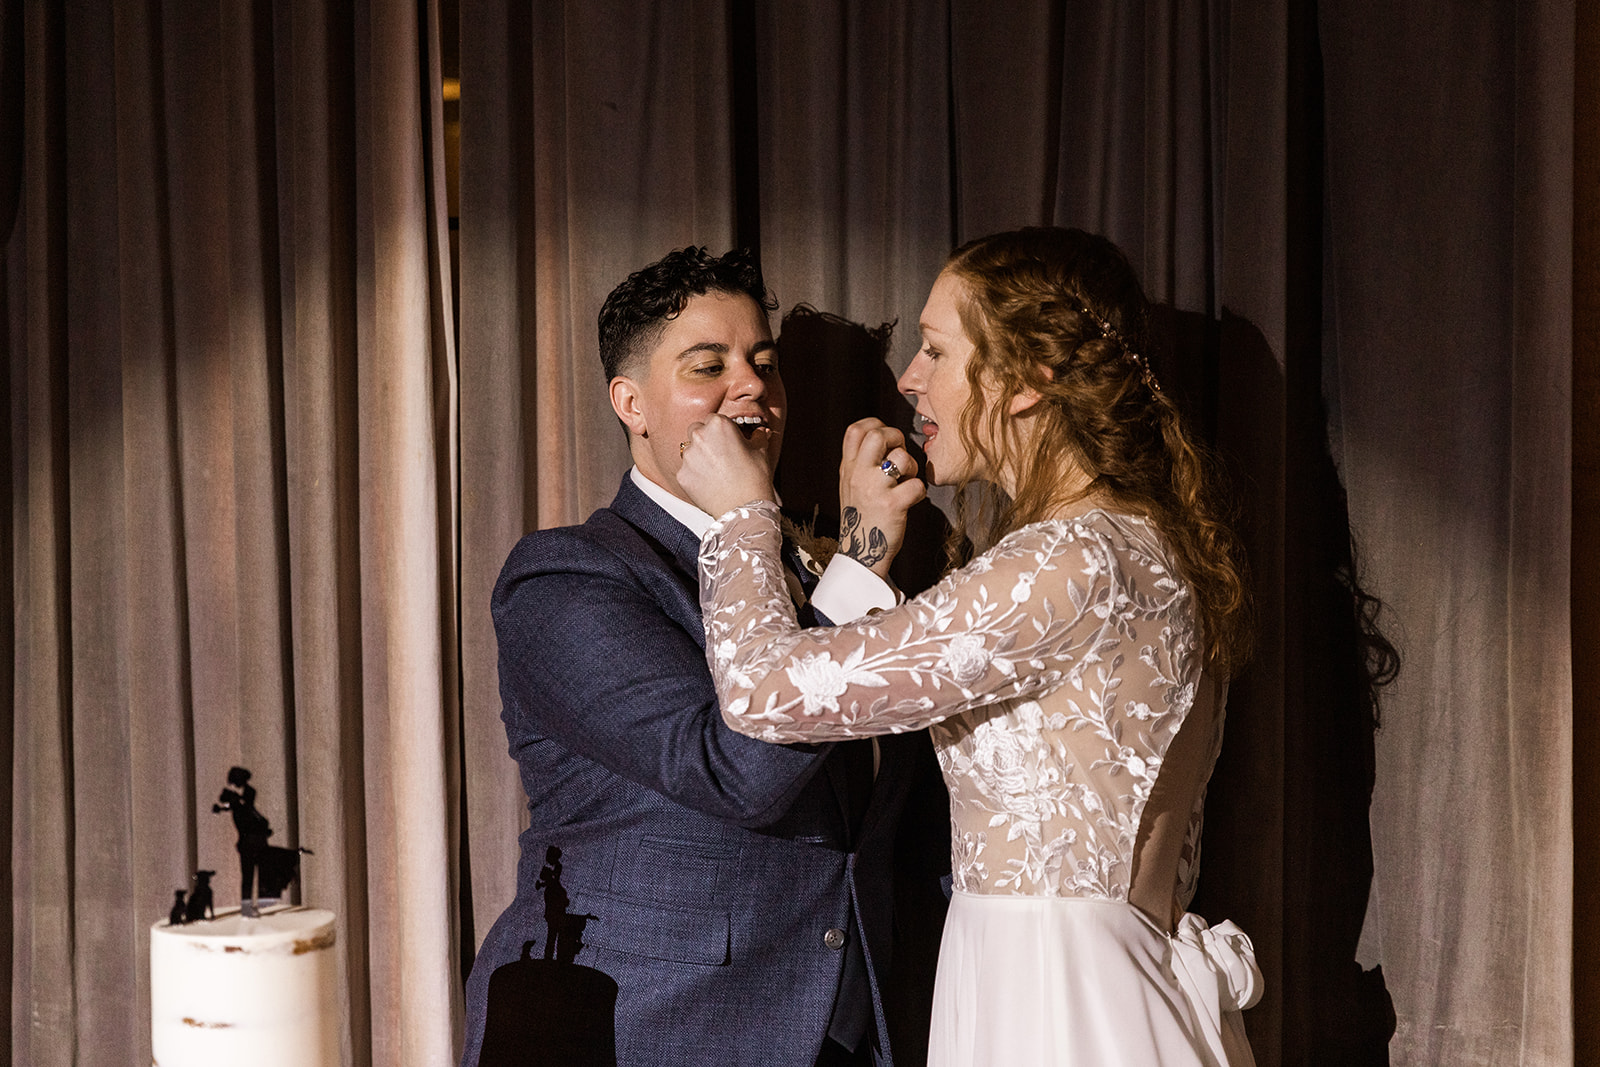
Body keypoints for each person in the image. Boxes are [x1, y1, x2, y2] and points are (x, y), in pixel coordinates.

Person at [679, 227, 1263, 1066]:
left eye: (936, 350)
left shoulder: (1066, 562)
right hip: (1100, 982)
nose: (909, 378)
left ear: (1028, 378)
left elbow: (758, 690)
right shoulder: (1146, 546)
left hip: (1057, 1008)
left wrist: (742, 513)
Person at [461, 246, 948, 1067]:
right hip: (651, 1033)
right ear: (632, 404)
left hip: (843, 1033)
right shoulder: (566, 575)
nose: (752, 385)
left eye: (764, 362)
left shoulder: (816, 579)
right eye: (708, 365)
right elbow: (736, 771)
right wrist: (852, 564)